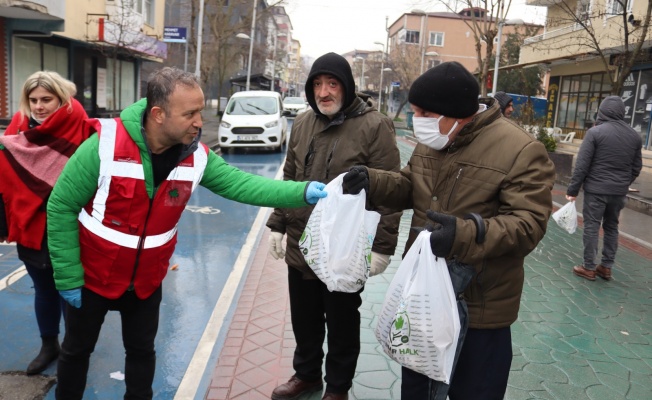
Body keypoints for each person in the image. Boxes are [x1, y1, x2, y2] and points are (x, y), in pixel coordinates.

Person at [46, 67, 327, 400]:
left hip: (146, 281)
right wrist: (67, 277)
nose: (200, 121)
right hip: (91, 277)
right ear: (158, 114)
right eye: (190, 113)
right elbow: (61, 206)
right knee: (76, 353)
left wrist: (301, 191)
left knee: (142, 353)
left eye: (200, 111)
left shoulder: (196, 156)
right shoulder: (103, 147)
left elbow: (245, 185)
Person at [342, 61, 556, 399]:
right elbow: (410, 185)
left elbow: (529, 224)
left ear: (454, 112)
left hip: (479, 308)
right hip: (424, 300)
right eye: (415, 112)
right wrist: (374, 182)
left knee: (475, 391)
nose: (418, 120)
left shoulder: (521, 150)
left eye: (424, 112)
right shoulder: (433, 141)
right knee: (416, 390)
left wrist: (464, 234)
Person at [266, 52, 401, 400]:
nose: (323, 92)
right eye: (317, 85)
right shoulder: (303, 122)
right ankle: (307, 374)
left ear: (347, 86)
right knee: (305, 318)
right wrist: (278, 223)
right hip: (301, 240)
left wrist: (383, 247)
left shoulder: (375, 126)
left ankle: (338, 388)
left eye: (332, 84)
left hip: (345, 247)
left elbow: (390, 190)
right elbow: (291, 176)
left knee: (341, 322)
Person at [0, 71, 89, 375]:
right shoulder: (19, 127)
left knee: (69, 288)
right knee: (43, 289)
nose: (38, 106)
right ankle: (49, 345)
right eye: (33, 100)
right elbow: (5, 178)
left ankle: (73, 349)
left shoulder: (81, 127)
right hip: (30, 225)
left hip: (70, 226)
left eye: (46, 99)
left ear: (62, 99)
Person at [567, 96, 642, 281]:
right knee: (611, 227)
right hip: (618, 192)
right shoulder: (634, 136)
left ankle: (589, 267)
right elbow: (636, 167)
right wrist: (623, 182)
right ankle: (606, 267)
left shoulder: (595, 133)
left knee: (592, 226)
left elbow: (582, 165)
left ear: (603, 111)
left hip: (596, 190)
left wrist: (572, 190)